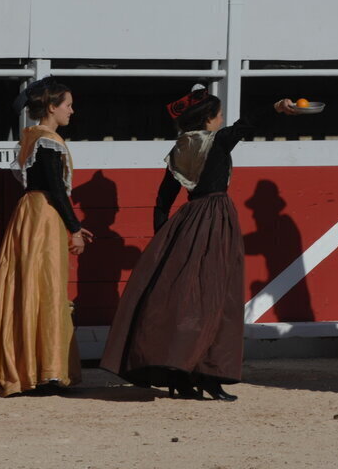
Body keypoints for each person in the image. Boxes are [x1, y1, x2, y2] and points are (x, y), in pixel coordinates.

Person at [100, 85, 298, 401]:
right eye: (219, 114)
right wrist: (276, 108)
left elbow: (163, 199)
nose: (222, 119)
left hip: (187, 221)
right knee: (217, 299)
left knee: (185, 302)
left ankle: (180, 375)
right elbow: (247, 125)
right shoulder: (217, 142)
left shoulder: (181, 147)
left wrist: (162, 241)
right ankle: (208, 374)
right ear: (208, 118)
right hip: (216, 220)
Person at [0, 78, 94, 397]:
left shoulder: (30, 137)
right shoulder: (49, 140)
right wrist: (75, 228)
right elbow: (55, 189)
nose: (72, 110)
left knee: (28, 288)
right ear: (52, 107)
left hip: (30, 214)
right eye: (67, 104)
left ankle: (32, 368)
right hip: (44, 216)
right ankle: (45, 372)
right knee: (48, 288)